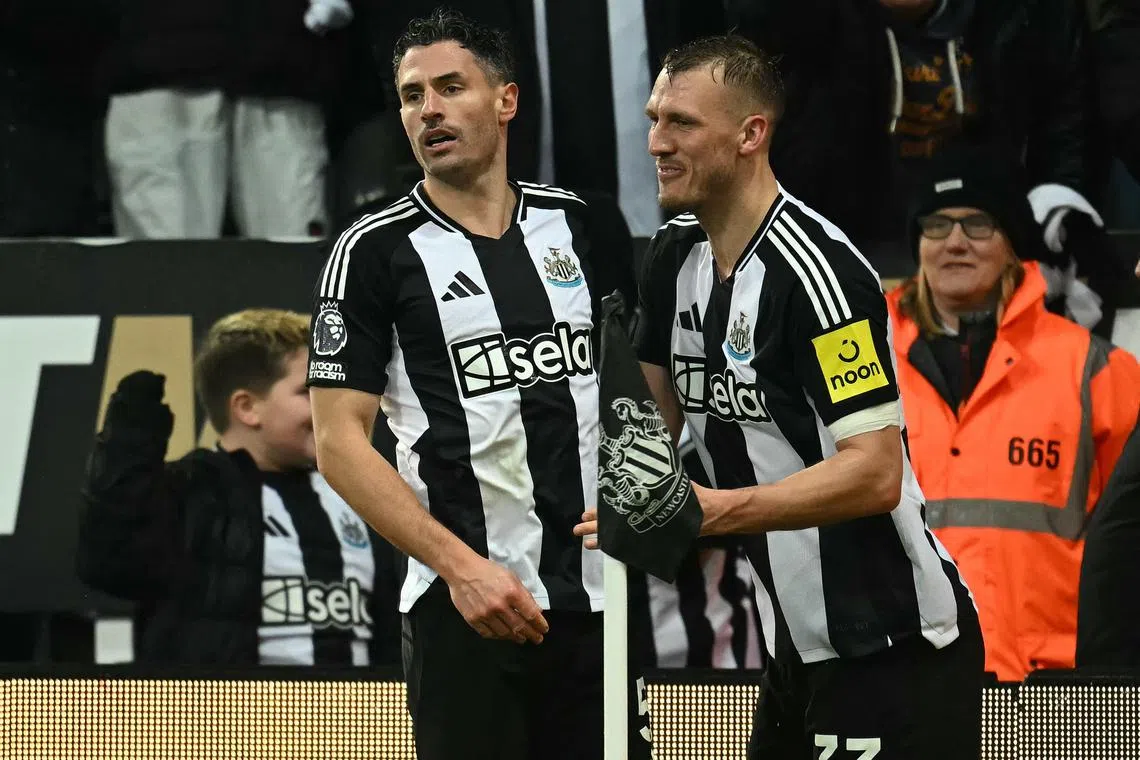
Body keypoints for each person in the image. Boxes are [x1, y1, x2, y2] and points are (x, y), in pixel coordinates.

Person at [579, 34, 983, 758]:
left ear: (751, 134)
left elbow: (875, 473)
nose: (657, 142)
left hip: (891, 648)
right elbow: (647, 428)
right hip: (792, 646)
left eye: (681, 123)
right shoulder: (671, 257)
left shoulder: (820, 272)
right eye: (654, 119)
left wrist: (711, 510)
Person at [305, 10, 637, 760]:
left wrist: (644, 494)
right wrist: (462, 569)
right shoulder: (371, 250)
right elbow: (338, 443)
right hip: (463, 608)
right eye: (411, 95)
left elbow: (641, 387)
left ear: (506, 99)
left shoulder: (585, 225)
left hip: (601, 598)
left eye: (451, 87)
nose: (429, 110)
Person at [885, 150, 1140, 681]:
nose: (955, 242)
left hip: (1054, 684)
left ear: (1011, 243)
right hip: (908, 684)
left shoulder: (1096, 370)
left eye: (978, 223)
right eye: (936, 225)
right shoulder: (868, 367)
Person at [77, 309, 400, 666]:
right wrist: (127, 446)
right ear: (247, 408)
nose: (329, 407)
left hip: (358, 704)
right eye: (309, 390)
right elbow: (108, 563)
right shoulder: (188, 493)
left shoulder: (357, 494)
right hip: (220, 703)